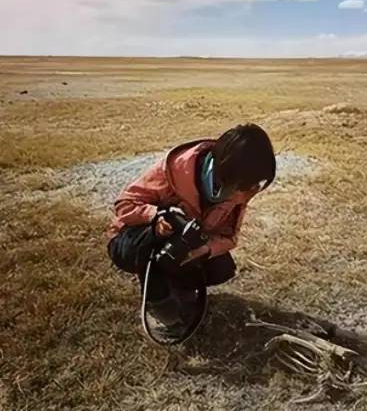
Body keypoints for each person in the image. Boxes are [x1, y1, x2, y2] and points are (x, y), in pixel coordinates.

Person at [106, 123, 275, 339]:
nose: (252, 194)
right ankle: (160, 307)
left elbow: (229, 237)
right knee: (161, 246)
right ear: (227, 175)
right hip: (131, 239)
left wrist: (203, 250)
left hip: (184, 243)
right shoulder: (174, 170)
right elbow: (124, 204)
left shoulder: (237, 189)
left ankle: (182, 292)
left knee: (220, 268)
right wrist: (155, 216)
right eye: (249, 187)